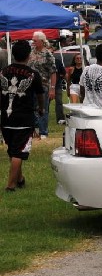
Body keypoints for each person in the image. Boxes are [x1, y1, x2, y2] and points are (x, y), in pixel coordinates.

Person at [0, 40, 44, 192]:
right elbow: (40, 95)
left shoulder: (3, 72)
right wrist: (41, 109)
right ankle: (10, 186)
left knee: (12, 150)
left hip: (5, 117)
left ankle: (19, 179)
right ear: (28, 55)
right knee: (18, 152)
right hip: (24, 118)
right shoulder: (33, 74)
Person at [28, 31, 56, 140]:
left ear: (42, 41)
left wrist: (52, 89)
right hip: (30, 86)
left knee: (42, 109)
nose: (33, 42)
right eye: (32, 40)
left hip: (43, 86)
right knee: (31, 108)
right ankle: (34, 131)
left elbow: (53, 72)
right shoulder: (30, 53)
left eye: (35, 40)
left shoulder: (48, 54)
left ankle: (43, 132)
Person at [79, 43, 102, 110]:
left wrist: (82, 104)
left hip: (87, 109)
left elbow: (82, 90)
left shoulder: (86, 70)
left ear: (96, 55)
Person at [54, 55, 66, 124]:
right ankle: (42, 119)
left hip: (57, 85)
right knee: (45, 104)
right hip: (47, 85)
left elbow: (63, 72)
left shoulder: (57, 61)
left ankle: (60, 119)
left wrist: (59, 77)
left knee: (59, 102)